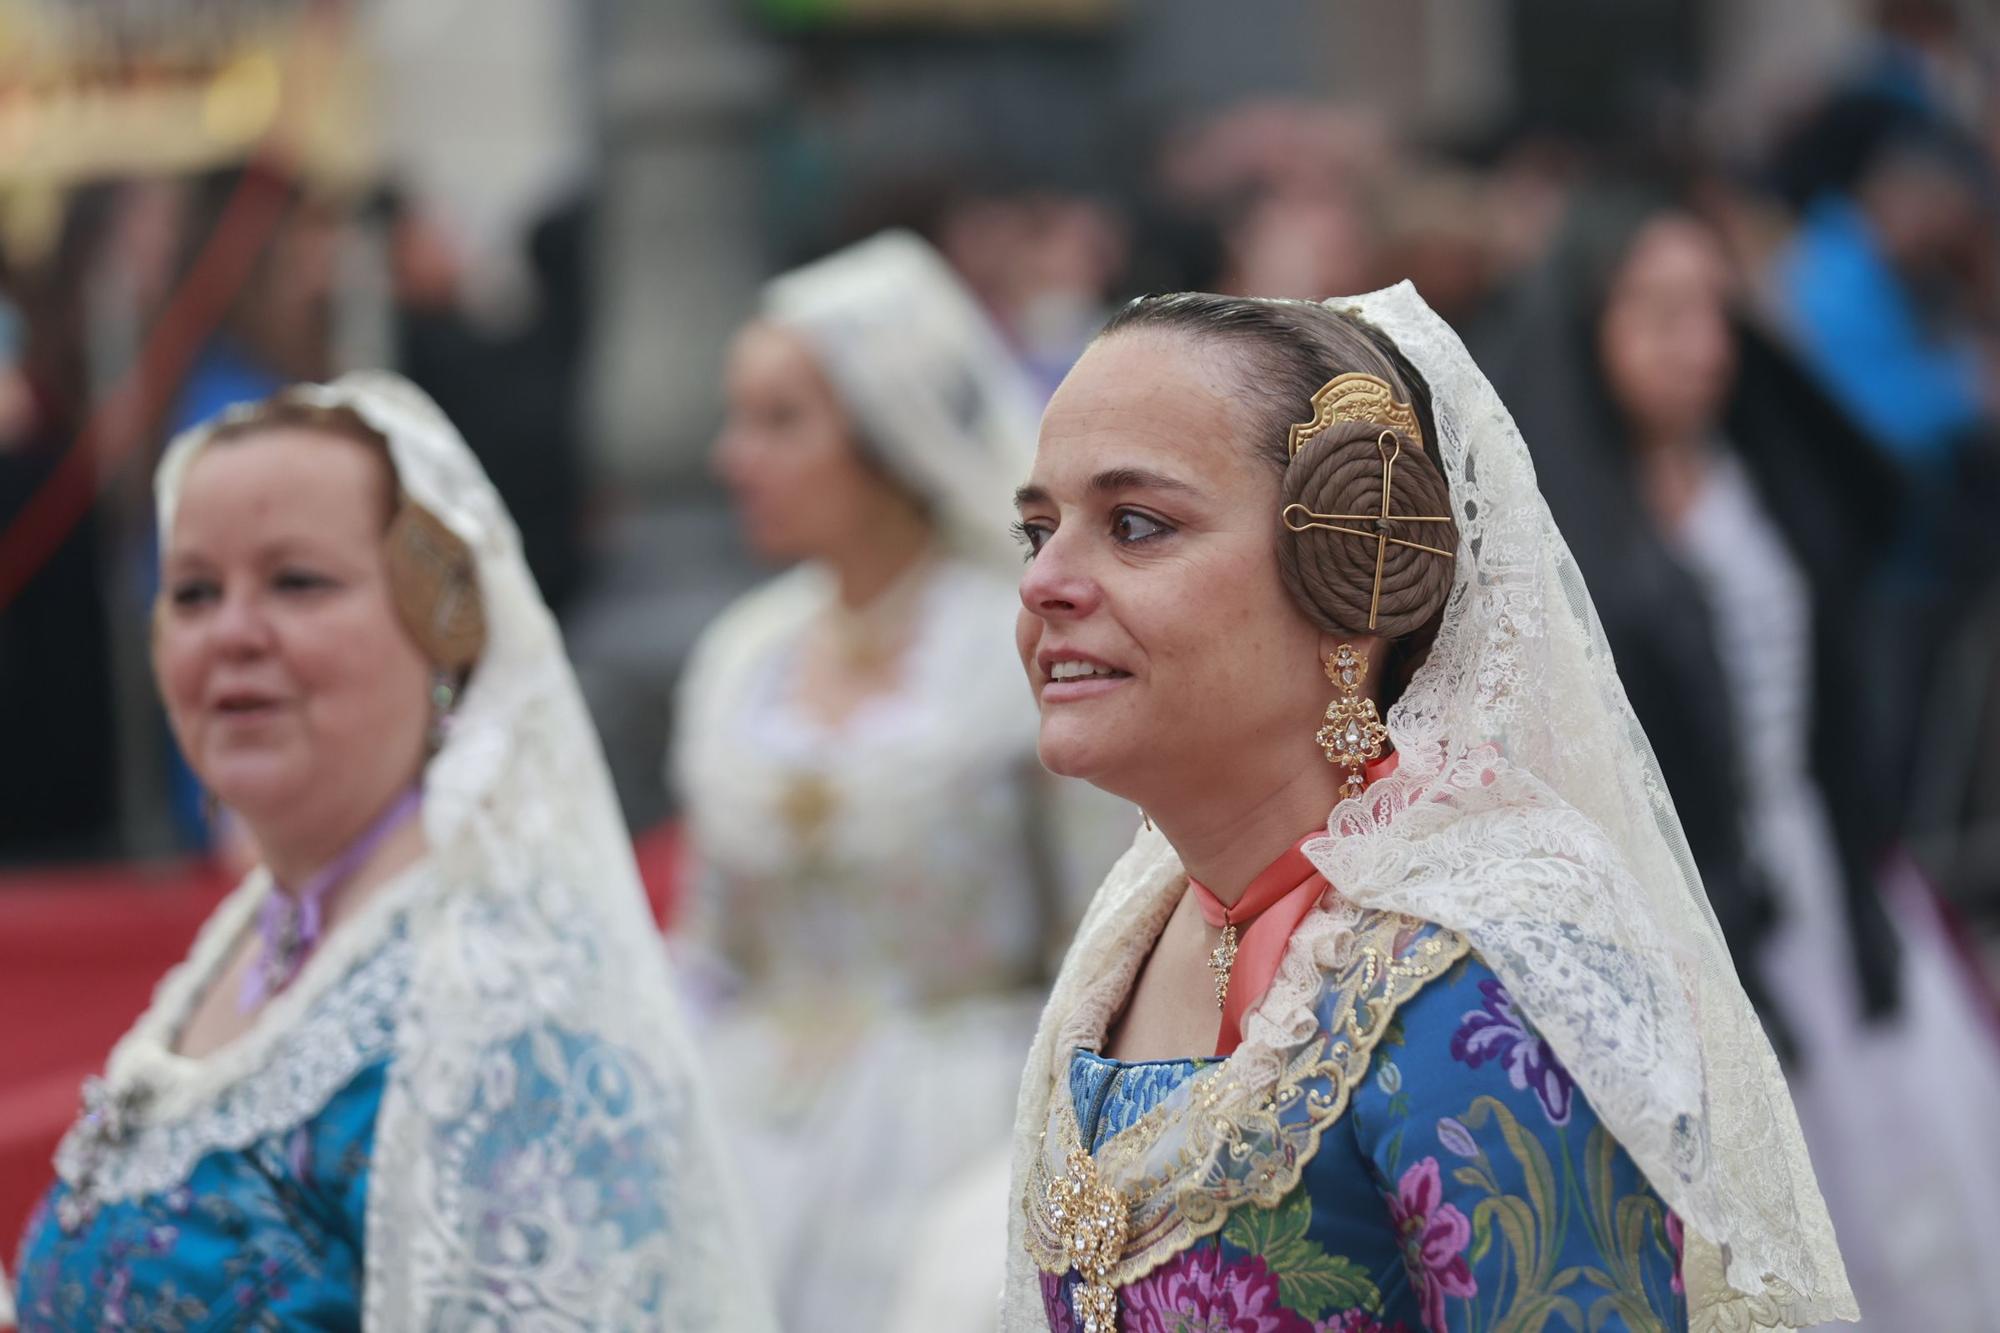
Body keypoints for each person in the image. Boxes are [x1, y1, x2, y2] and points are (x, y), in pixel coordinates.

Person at [1002, 285, 1853, 1331]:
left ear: (1354, 570)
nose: (1045, 579)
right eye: (1036, 529)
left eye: (1135, 524)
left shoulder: (1478, 977)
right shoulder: (1132, 930)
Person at [13, 373, 772, 1330]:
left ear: (441, 626)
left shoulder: (505, 1004)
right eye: (195, 592)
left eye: (297, 582)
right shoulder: (259, 934)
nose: (233, 634)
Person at [1487, 190, 2000, 1329]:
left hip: (1816, 870)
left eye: (1712, 312)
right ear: (1588, 326)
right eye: (1657, 314)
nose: (1697, 347)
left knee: (1913, 1173)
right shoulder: (1561, 529)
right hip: (1677, 919)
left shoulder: (1758, 476)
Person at [672, 230, 1122, 1331]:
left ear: (885, 430)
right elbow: (710, 944)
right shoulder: (741, 656)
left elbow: (1103, 928)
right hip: (744, 1127)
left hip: (962, 1126)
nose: (735, 456)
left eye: (780, 420)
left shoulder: (1019, 645)